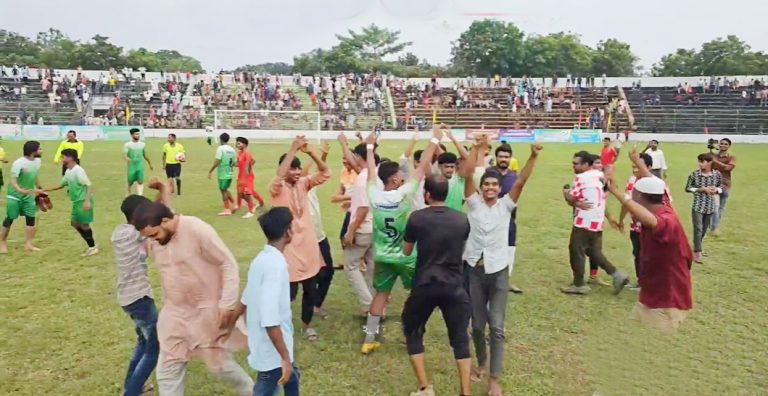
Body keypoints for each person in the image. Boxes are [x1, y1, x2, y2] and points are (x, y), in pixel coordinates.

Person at [131, 202, 253, 395]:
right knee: (167, 368)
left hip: (206, 311)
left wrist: (227, 304)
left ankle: (250, 391)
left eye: (154, 235)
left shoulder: (196, 228)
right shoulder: (157, 238)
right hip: (175, 313)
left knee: (219, 365)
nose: (152, 240)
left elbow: (227, 263)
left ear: (165, 221)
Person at [461, 141, 541, 396]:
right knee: (476, 326)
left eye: (495, 185)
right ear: (481, 187)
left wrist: (533, 156)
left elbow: (521, 182)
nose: (490, 188)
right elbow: (467, 174)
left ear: (499, 189)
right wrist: (476, 150)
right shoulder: (473, 204)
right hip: (474, 270)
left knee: (496, 326)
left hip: (498, 272)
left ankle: (494, 379)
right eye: (486, 184)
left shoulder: (506, 205)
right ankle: (482, 363)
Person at [361, 128, 440, 355]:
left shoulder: (374, 194)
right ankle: (413, 334)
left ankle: (369, 339)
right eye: (399, 174)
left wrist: (369, 147)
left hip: (382, 255)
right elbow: (423, 166)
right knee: (417, 293)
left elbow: (369, 172)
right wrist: (434, 140)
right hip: (405, 255)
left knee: (381, 295)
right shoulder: (404, 194)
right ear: (395, 178)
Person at [401, 175, 472, 396]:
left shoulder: (417, 218)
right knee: (460, 338)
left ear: (427, 194)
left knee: (412, 330)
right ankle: (465, 392)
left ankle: (425, 387)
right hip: (454, 285)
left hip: (425, 283)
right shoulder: (462, 219)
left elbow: (407, 251)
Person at [607, 175, 693, 332]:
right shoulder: (663, 202)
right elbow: (655, 182)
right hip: (651, 295)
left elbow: (651, 221)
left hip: (667, 300)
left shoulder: (667, 219)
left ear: (639, 196)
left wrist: (617, 192)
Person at [269, 136, 331, 341]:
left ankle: (306, 325)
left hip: (309, 245)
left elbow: (325, 172)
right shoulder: (276, 188)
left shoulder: (304, 183)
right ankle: (280, 324)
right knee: (289, 291)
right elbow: (278, 178)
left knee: (310, 288)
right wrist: (292, 150)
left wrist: (311, 153)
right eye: (291, 169)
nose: (296, 173)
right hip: (288, 247)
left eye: (298, 169)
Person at [240, 207, 301, 396]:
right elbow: (269, 319)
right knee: (268, 385)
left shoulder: (261, 259)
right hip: (272, 351)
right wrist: (284, 358)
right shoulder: (276, 266)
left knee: (293, 377)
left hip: (268, 346)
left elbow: (245, 299)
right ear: (288, 231)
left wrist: (227, 325)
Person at [561, 151, 629, 295]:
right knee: (593, 251)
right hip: (597, 220)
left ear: (586, 164)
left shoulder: (581, 178)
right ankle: (617, 275)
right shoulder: (600, 176)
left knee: (576, 249)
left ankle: (579, 284)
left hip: (584, 220)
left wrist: (565, 191)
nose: (573, 166)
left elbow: (571, 198)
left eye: (576, 164)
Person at [112, 194, 159, 396]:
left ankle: (133, 384)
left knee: (143, 341)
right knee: (154, 347)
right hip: (139, 298)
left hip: (127, 298)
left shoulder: (119, 232)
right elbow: (159, 217)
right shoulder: (135, 234)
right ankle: (131, 391)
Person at [44, 149, 98, 256]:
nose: (61, 159)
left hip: (82, 200)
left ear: (70, 158)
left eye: (63, 156)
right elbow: (61, 184)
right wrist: (45, 190)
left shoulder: (78, 170)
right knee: (74, 223)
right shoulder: (68, 171)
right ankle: (91, 244)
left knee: (84, 224)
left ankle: (92, 247)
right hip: (76, 201)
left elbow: (89, 185)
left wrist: (87, 201)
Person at [0, 140, 43, 254]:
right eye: (39, 148)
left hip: (28, 196)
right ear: (33, 151)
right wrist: (20, 190)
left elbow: (35, 175)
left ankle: (28, 244)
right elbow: (13, 181)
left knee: (31, 220)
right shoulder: (18, 163)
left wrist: (39, 187)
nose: (41, 150)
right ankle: (2, 242)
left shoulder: (37, 161)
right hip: (14, 196)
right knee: (10, 218)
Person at [685, 153, 722, 263]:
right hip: (698, 205)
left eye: (703, 162)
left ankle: (697, 247)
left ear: (710, 162)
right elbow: (687, 188)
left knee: (704, 229)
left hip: (710, 206)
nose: (700, 164)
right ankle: (697, 253)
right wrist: (700, 189)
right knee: (698, 229)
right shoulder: (694, 175)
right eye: (699, 161)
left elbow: (721, 187)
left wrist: (715, 190)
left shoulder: (717, 175)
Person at [710, 138, 736, 235]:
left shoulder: (731, 158)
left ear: (729, 146)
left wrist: (714, 161)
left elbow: (728, 168)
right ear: (719, 145)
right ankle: (715, 228)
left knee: (721, 208)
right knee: (715, 206)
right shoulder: (713, 156)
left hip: (726, 184)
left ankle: (714, 226)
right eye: (721, 143)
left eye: (726, 144)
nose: (723, 145)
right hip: (715, 184)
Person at [235, 137, 264, 219]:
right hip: (241, 176)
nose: (237, 144)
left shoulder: (247, 153)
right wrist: (233, 164)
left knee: (247, 194)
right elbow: (245, 162)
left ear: (244, 144)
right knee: (242, 194)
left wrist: (248, 172)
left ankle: (250, 212)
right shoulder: (239, 153)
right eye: (236, 143)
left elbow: (248, 163)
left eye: (239, 143)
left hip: (247, 177)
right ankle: (260, 202)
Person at [208, 133, 237, 216]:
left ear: (221, 139)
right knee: (225, 189)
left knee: (223, 190)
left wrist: (211, 171)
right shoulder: (232, 149)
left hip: (223, 173)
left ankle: (227, 209)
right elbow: (234, 163)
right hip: (230, 172)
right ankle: (234, 205)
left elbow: (217, 160)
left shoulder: (220, 149)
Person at [124, 128, 153, 196]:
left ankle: (140, 195)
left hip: (140, 165)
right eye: (136, 134)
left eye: (138, 134)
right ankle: (129, 192)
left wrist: (150, 164)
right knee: (130, 181)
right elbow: (124, 155)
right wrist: (127, 158)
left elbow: (145, 155)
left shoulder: (142, 144)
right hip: (131, 166)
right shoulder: (127, 145)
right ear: (132, 135)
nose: (138, 135)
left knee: (140, 181)